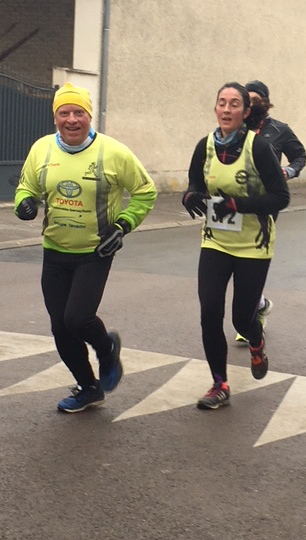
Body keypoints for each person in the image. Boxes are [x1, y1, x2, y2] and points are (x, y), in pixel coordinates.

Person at [15, 82, 157, 413]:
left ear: (89, 116)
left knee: (77, 318)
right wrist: (24, 204)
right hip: (55, 250)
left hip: (94, 252)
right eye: (64, 113)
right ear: (55, 118)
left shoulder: (114, 153)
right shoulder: (42, 150)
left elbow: (145, 191)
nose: (72, 119)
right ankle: (88, 387)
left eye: (79, 112)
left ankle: (107, 348)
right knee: (59, 327)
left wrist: (123, 226)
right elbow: (27, 186)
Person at [182, 82, 290, 409]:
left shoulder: (259, 148)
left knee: (242, 319)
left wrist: (237, 205)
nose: (227, 110)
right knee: (209, 313)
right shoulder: (205, 146)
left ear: (245, 112)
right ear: (215, 109)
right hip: (215, 243)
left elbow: (281, 197)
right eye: (221, 103)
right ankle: (219, 384)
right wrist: (190, 197)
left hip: (253, 247)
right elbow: (195, 184)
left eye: (234, 105)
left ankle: (256, 343)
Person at [233, 80, 306, 342]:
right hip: (234, 203)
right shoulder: (233, 128)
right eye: (246, 100)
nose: (250, 105)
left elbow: (300, 156)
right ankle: (260, 304)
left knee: (252, 260)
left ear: (264, 102)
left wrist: (289, 171)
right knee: (232, 260)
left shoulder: (279, 130)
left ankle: (253, 315)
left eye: (255, 100)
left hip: (265, 203)